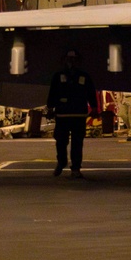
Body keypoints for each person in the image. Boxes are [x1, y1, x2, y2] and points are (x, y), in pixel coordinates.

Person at [47, 49, 98, 178]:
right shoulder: (58, 76)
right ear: (65, 60)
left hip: (78, 114)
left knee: (77, 143)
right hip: (62, 114)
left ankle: (75, 168)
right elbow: (52, 92)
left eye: (74, 59)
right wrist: (50, 108)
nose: (71, 62)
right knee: (61, 141)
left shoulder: (84, 76)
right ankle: (61, 162)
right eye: (69, 59)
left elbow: (91, 92)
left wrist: (94, 107)